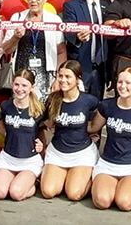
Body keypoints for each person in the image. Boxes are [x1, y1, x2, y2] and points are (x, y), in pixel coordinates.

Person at [88, 67, 131, 211]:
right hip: (108, 164)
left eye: (128, 83)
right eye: (120, 82)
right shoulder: (107, 105)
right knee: (102, 202)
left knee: (124, 203)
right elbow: (93, 127)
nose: (122, 86)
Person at [40, 61, 100, 201]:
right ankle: (65, 177)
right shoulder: (53, 99)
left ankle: (90, 177)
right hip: (58, 152)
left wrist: (93, 128)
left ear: (78, 78)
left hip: (81, 153)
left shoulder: (88, 100)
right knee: (48, 192)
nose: (63, 80)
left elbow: (103, 113)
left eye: (68, 76)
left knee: (74, 194)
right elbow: (45, 121)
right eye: (60, 76)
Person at [1, 0, 66, 101]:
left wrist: (58, 77)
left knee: (44, 109)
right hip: (22, 72)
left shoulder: (54, 20)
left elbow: (61, 51)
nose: (34, 1)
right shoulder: (17, 17)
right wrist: (16, 37)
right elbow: (6, 49)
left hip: (46, 74)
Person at [0, 69, 46, 201]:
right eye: (16, 84)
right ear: (12, 85)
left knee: (15, 193)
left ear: (32, 87)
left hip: (29, 160)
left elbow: (43, 130)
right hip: (8, 157)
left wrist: (42, 145)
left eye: (24, 85)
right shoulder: (5, 106)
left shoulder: (39, 109)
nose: (19, 89)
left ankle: (32, 183)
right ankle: (11, 180)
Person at [62, 0, 111, 99]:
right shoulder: (71, 6)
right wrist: (77, 36)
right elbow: (68, 29)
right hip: (80, 66)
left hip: (101, 68)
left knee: (97, 107)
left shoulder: (108, 6)